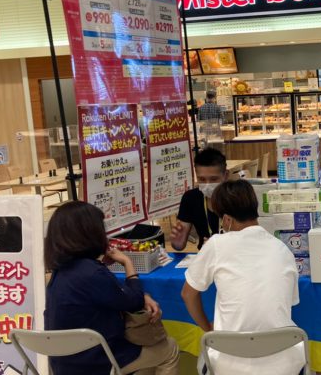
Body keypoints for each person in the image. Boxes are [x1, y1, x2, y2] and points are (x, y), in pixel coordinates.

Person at [181, 180, 305, 375]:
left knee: (205, 353)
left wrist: (208, 328)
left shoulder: (217, 244)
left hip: (228, 364)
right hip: (283, 364)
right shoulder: (282, 249)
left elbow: (188, 294)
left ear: (227, 220)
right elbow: (287, 303)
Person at [44, 201, 179, 375]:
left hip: (63, 365)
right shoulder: (92, 272)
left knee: (146, 358)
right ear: (91, 232)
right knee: (169, 348)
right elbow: (134, 301)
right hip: (99, 362)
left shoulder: (59, 274)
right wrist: (127, 263)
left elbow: (110, 294)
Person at [171, 147, 229, 250]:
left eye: (214, 179)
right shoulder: (190, 198)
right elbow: (179, 245)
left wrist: (220, 245)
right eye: (202, 179)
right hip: (204, 254)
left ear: (226, 176)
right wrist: (177, 241)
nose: (207, 184)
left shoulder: (238, 199)